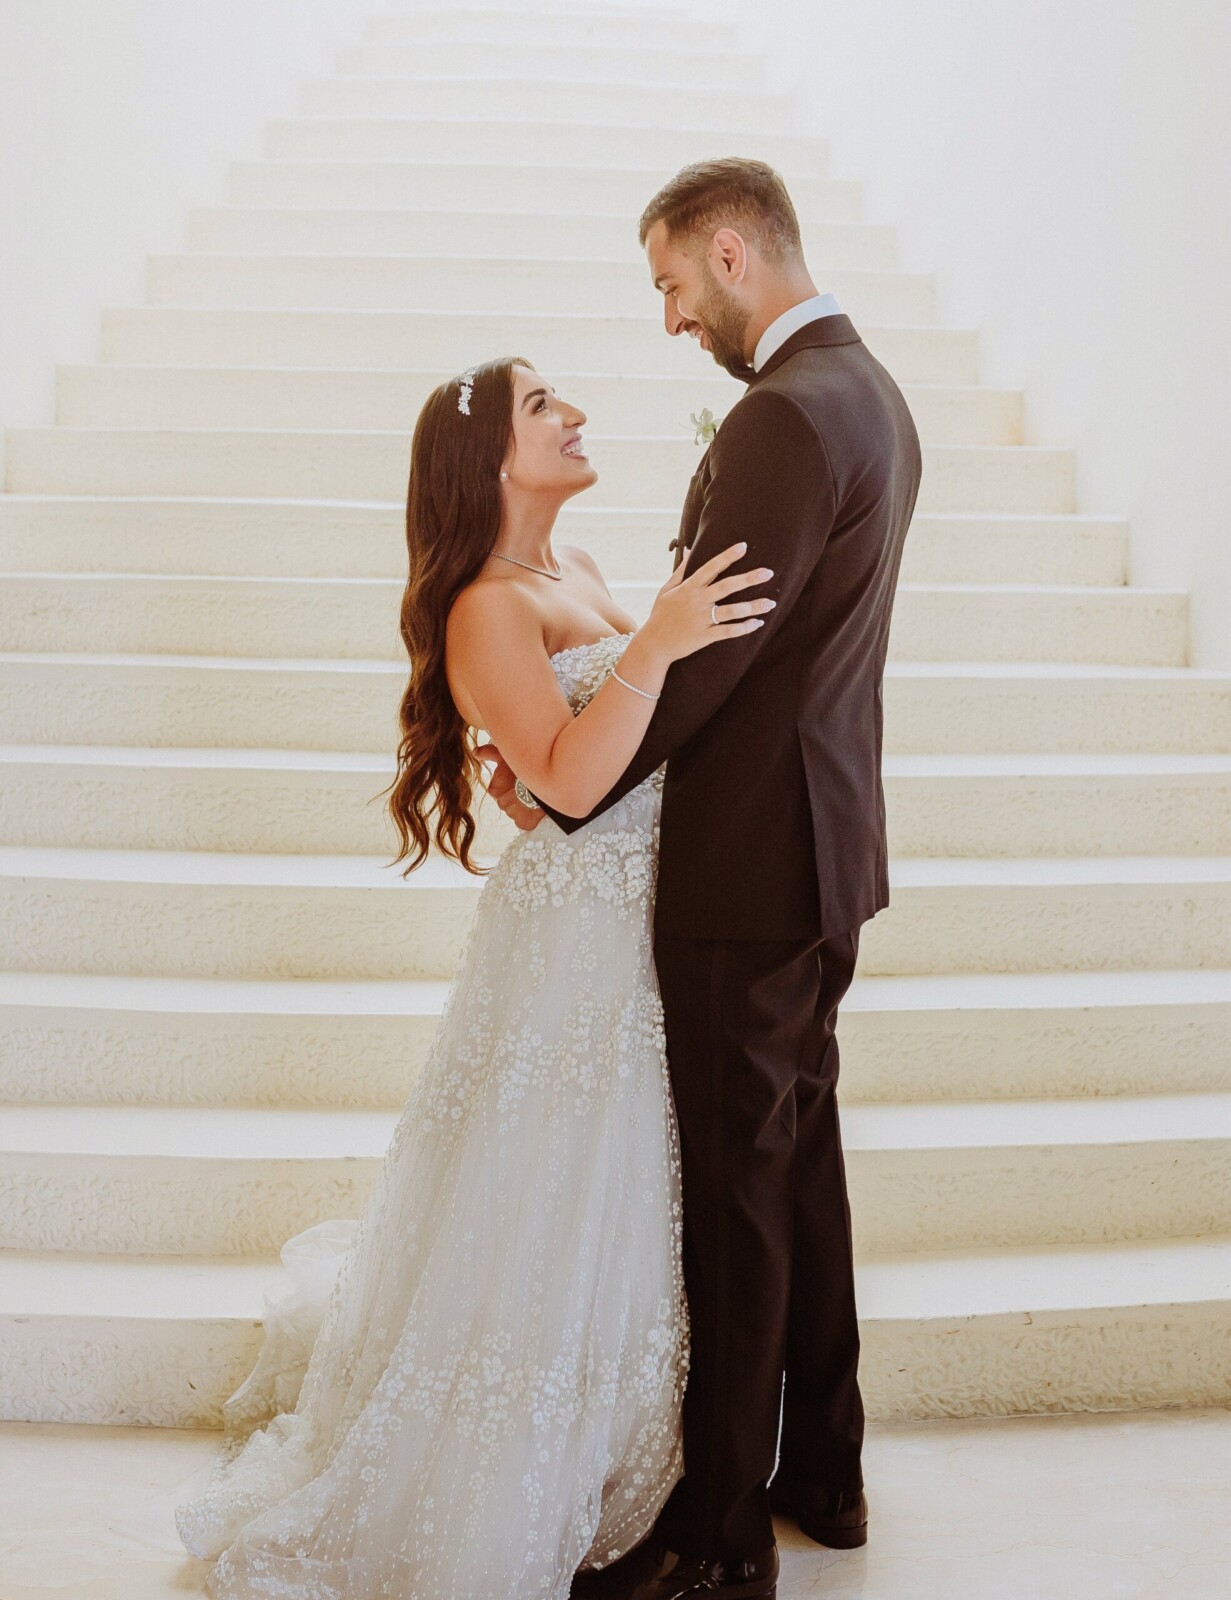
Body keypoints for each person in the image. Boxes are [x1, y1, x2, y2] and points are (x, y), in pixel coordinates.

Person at [172, 353, 773, 1600]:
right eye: (543, 406)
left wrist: (654, 640)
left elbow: (592, 776)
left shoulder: (589, 574)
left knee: (622, 1193)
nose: (575, 414)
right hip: (573, 948)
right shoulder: (483, 608)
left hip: (648, 917)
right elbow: (560, 776)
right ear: (488, 459)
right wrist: (656, 646)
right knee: (552, 1185)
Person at [491, 158, 923, 1600]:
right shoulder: (871, 397)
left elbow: (706, 654)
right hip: (825, 845)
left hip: (749, 868)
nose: (673, 320)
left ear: (731, 252)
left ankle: (719, 1536)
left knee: (738, 1198)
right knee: (796, 1169)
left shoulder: (780, 420)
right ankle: (827, 1469)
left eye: (674, 286)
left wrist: (566, 779)